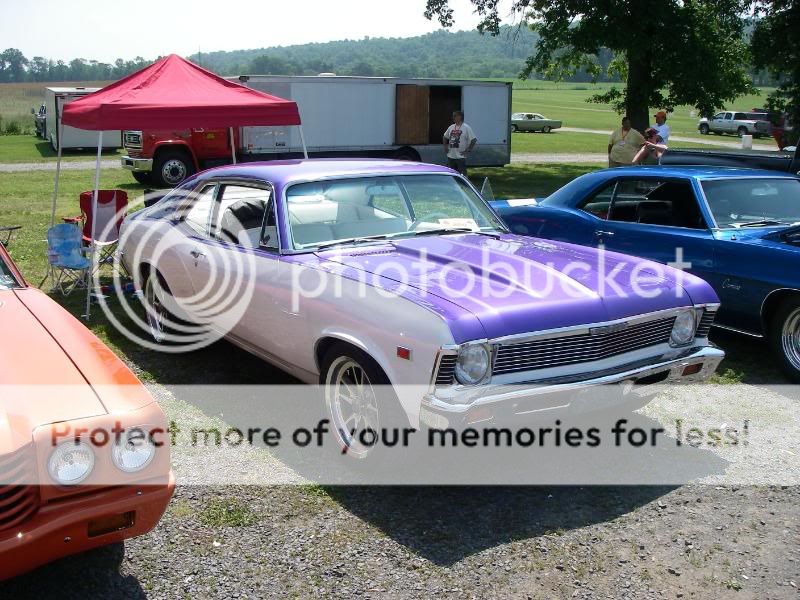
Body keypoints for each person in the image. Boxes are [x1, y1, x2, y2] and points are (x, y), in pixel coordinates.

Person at [443, 111, 477, 175]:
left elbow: (474, 140)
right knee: (451, 174)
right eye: (453, 116)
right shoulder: (451, 127)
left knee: (462, 175)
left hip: (460, 157)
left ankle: (464, 184)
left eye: (455, 116)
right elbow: (445, 137)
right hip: (451, 156)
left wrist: (468, 150)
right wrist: (445, 146)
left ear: (460, 117)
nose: (453, 117)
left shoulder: (466, 127)